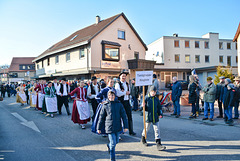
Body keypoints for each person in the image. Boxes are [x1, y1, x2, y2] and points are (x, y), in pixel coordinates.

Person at [97, 90, 128, 161]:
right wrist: (98, 128)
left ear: (115, 96)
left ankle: (109, 145)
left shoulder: (119, 104)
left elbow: (124, 116)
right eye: (110, 95)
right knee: (113, 143)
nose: (111, 97)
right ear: (108, 96)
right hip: (109, 127)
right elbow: (101, 117)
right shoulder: (105, 105)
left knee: (116, 141)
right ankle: (112, 159)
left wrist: (126, 126)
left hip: (117, 126)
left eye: (113, 95)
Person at [141, 86, 166, 151]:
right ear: (150, 91)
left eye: (154, 92)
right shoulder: (146, 98)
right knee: (146, 128)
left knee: (157, 129)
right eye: (152, 91)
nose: (153, 93)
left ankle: (158, 144)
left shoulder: (156, 99)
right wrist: (143, 106)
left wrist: (160, 113)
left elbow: (159, 107)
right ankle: (143, 139)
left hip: (155, 116)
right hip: (148, 116)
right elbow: (142, 109)